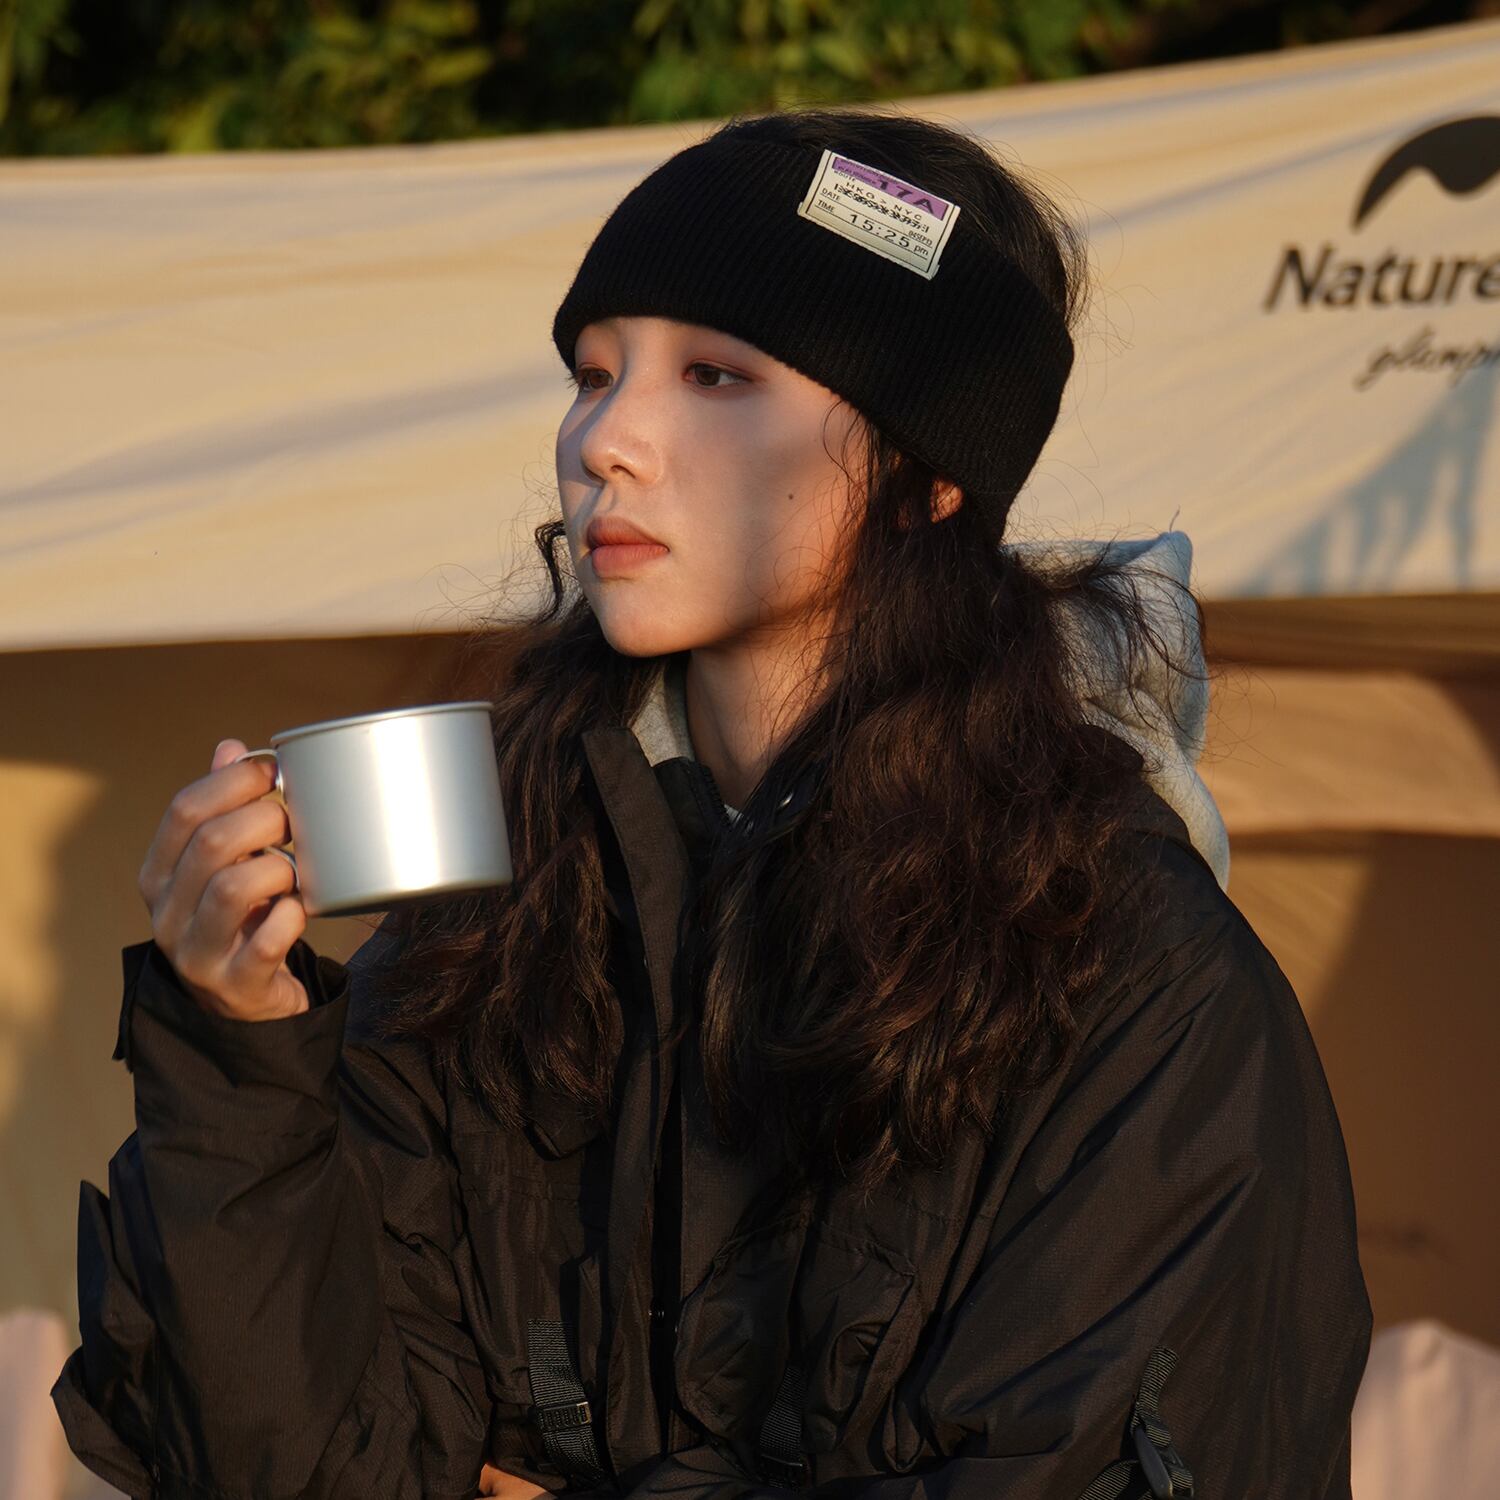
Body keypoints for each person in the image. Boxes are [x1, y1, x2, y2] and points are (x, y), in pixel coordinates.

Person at [53, 105, 1372, 1500]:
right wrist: (240, 1052)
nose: (605, 440)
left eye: (718, 377)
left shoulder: (1129, 974)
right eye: (593, 373)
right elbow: (307, 1465)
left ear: (928, 475)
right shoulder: (501, 912)